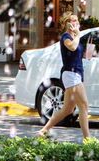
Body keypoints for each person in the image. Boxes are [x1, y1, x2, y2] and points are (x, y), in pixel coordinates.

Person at [37, 12, 90, 140]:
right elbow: (72, 47)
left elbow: (79, 55)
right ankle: (87, 139)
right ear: (67, 24)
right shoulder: (66, 37)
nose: (76, 23)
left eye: (77, 20)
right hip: (71, 74)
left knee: (67, 110)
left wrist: (89, 51)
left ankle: (43, 131)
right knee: (83, 106)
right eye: (73, 21)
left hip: (75, 74)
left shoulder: (75, 38)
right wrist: (78, 35)